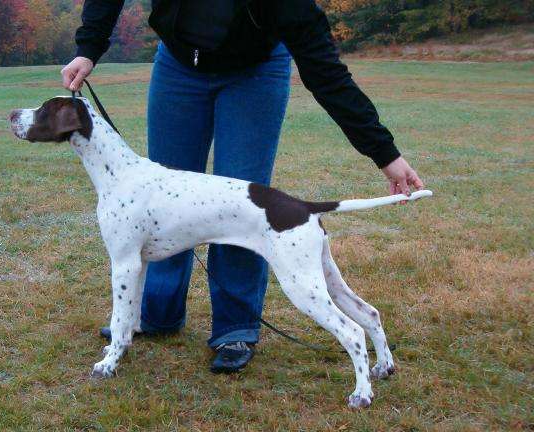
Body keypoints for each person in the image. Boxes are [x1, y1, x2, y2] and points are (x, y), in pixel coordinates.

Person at [61, 0, 424, 373]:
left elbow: (325, 70)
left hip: (256, 71)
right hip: (178, 64)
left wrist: (384, 153)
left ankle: (234, 329)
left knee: (245, 208)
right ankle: (156, 312)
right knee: (160, 205)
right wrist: (89, 47)